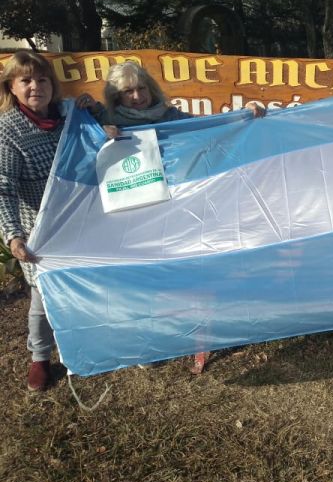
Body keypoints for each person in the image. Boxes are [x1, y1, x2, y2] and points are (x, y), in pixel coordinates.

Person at [76, 62, 264, 374]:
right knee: (141, 278)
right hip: (130, 215)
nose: (137, 96)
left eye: (141, 88)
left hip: (172, 208)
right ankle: (147, 342)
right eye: (127, 92)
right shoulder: (104, 120)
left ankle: (199, 332)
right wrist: (92, 123)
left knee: (183, 271)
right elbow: (78, 141)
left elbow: (209, 126)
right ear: (115, 96)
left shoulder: (169, 116)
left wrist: (245, 114)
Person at [0, 51, 69, 391]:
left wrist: (95, 109)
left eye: (42, 79)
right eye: (25, 80)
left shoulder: (68, 114)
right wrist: (13, 235)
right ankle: (40, 357)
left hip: (79, 220)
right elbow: (3, 188)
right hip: (38, 230)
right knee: (42, 297)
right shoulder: (7, 131)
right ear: (11, 87)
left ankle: (86, 343)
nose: (35, 86)